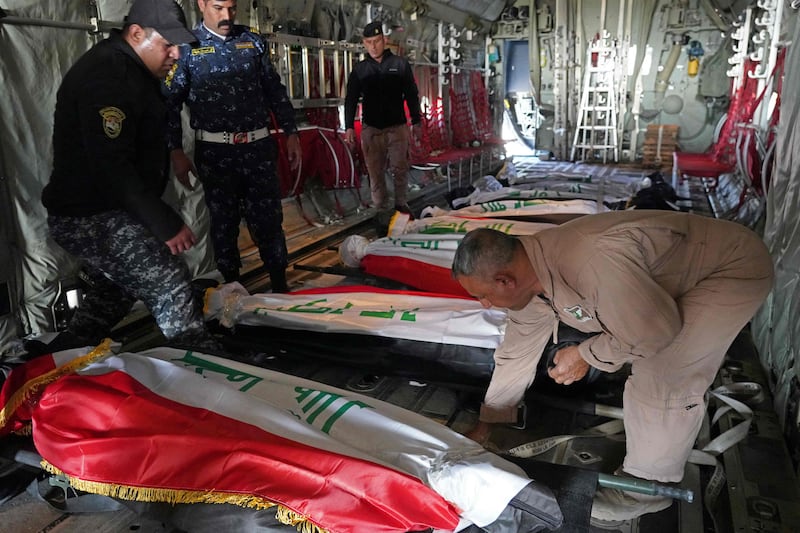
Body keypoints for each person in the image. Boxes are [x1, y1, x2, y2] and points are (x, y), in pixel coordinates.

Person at [451, 210, 774, 522]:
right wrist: (490, 421)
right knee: (646, 348)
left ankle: (645, 493)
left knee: (664, 374)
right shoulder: (531, 276)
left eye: (484, 296)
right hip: (683, 278)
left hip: (730, 269)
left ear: (505, 280)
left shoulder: (589, 260)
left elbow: (652, 333)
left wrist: (586, 355)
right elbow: (516, 353)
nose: (485, 305)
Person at [40, 0, 216, 351]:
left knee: (120, 284)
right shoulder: (109, 76)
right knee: (168, 279)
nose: (176, 55)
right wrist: (162, 222)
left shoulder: (131, 69)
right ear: (136, 33)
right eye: (168, 45)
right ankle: (201, 364)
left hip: (106, 208)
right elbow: (111, 165)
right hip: (89, 214)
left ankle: (69, 349)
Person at [163, 0, 301, 292]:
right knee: (223, 224)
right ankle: (232, 291)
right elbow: (170, 104)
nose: (226, 16)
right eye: (218, 8)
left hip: (258, 149)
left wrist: (291, 131)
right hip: (216, 154)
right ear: (201, 4)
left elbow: (274, 90)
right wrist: (175, 150)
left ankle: (280, 285)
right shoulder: (186, 48)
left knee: (268, 220)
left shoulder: (252, 42)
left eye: (231, 8)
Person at [344, 21, 422, 215]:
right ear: (364, 43)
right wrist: (349, 127)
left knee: (400, 168)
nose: (373, 46)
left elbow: (412, 94)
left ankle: (401, 204)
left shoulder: (399, 64)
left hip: (397, 127)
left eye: (377, 41)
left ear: (384, 40)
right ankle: (381, 209)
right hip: (372, 129)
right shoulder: (360, 69)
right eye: (369, 42)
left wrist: (416, 120)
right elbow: (351, 99)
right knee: (375, 172)